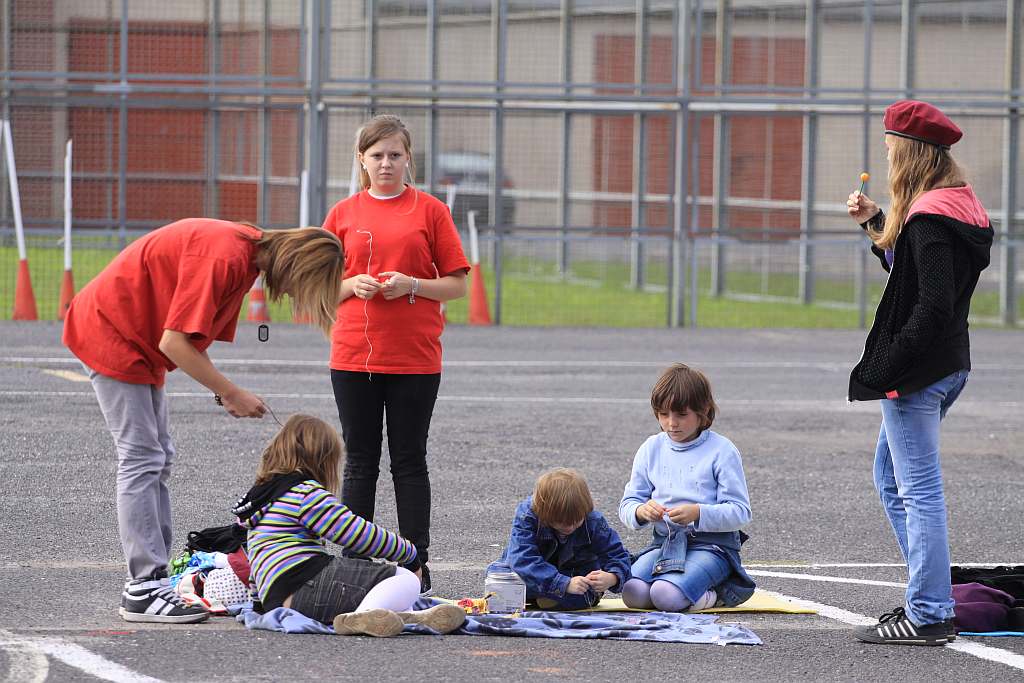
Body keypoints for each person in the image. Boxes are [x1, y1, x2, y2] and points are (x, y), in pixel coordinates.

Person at [63, 218, 344, 623]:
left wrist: (223, 391)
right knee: (141, 458)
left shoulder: (244, 255)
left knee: (158, 457)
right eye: (306, 286)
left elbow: (186, 339)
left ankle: (154, 581)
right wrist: (230, 392)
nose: (295, 295)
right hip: (113, 332)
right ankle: (142, 587)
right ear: (298, 266)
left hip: (134, 337)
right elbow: (173, 342)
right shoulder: (225, 256)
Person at [846, 99, 993, 646]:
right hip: (948, 365)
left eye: (890, 148)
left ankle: (930, 611)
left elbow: (929, 305)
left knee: (918, 491)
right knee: (891, 479)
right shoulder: (956, 204)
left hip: (919, 374)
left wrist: (888, 365)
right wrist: (877, 224)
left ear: (909, 152)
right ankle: (926, 594)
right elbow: (917, 272)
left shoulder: (930, 216)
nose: (885, 158)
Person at [322, 114, 470, 595]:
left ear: (409, 159)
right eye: (377, 155)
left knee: (409, 460)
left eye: (395, 155)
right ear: (361, 160)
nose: (386, 163)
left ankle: (416, 561)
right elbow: (317, 286)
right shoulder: (343, 213)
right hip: (353, 356)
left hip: (414, 358)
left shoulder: (430, 211)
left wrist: (413, 286)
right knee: (359, 460)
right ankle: (355, 559)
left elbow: (455, 284)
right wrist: (348, 285)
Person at [232, 415, 466, 637]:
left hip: (278, 598)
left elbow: (257, 557)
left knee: (382, 588)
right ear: (322, 459)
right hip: (306, 586)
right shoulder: (304, 492)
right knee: (405, 580)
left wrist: (259, 603)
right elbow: (357, 534)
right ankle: (362, 617)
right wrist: (409, 553)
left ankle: (404, 617)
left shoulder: (264, 496)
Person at [619, 363, 755, 613]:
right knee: (632, 592)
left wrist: (698, 512)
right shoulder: (651, 448)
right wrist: (641, 511)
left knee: (665, 595)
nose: (671, 423)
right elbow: (628, 503)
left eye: (681, 415)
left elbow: (740, 512)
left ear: (703, 412)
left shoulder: (722, 451)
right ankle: (687, 586)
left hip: (713, 547)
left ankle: (720, 591)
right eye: (663, 414)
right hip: (666, 543)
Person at [494, 468, 632, 611]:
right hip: (535, 573)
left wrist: (612, 577)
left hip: (575, 577)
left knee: (584, 593)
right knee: (497, 577)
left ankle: (537, 598)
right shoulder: (528, 515)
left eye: (577, 521)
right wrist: (563, 584)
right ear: (543, 512)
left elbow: (618, 554)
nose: (570, 527)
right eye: (561, 522)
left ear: (586, 509)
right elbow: (522, 559)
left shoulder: (593, 520)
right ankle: (547, 597)